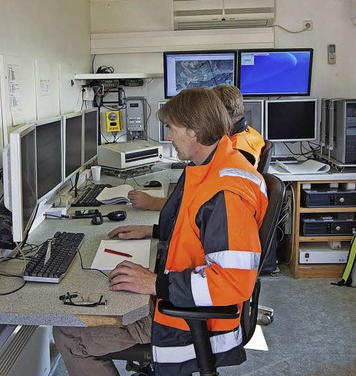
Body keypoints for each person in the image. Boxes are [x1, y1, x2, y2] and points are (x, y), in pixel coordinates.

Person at [53, 87, 268, 375]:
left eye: (171, 128)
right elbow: (198, 231)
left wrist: (155, 284)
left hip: (192, 322)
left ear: (194, 131)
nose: (168, 137)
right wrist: (153, 231)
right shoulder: (214, 167)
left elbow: (232, 282)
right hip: (187, 300)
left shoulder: (225, 194)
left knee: (70, 335)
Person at [128, 84, 266, 211]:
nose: (169, 137)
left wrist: (152, 203)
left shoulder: (226, 191)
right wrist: (154, 231)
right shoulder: (245, 137)